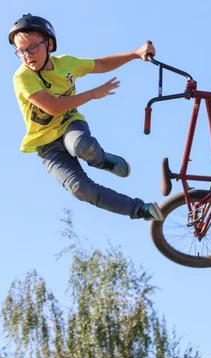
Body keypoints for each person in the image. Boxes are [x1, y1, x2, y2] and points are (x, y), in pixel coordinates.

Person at [9, 13, 164, 221]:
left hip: (69, 124)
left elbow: (99, 64)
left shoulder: (66, 64)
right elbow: (53, 107)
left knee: (81, 145)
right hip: (46, 146)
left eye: (33, 48)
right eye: (21, 51)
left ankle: (101, 159)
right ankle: (141, 210)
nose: (27, 55)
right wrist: (91, 94)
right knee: (80, 189)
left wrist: (135, 54)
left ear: (50, 44)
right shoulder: (22, 77)